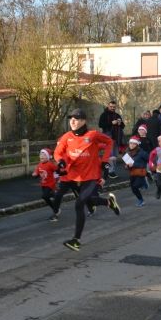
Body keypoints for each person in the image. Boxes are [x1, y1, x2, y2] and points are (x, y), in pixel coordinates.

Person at [53, 108, 120, 251]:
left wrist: (105, 160)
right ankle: (109, 202)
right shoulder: (67, 137)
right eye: (71, 119)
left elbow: (110, 142)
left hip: (90, 177)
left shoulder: (93, 135)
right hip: (73, 177)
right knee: (90, 201)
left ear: (83, 121)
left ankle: (76, 241)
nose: (72, 121)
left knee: (79, 204)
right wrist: (60, 161)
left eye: (76, 119)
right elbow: (57, 152)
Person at [98, 100, 125, 178]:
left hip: (117, 137)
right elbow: (100, 125)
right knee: (110, 154)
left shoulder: (117, 115)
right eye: (111, 107)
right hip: (108, 137)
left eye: (114, 107)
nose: (112, 108)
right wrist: (111, 123)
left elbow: (123, 126)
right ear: (108, 106)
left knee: (115, 155)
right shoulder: (104, 115)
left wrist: (120, 123)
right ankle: (110, 171)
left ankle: (111, 170)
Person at [33, 148, 61, 222]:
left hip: (50, 184)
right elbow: (36, 173)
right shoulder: (39, 165)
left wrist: (60, 172)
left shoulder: (50, 164)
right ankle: (55, 207)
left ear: (48, 157)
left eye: (44, 155)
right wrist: (34, 174)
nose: (42, 156)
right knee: (46, 197)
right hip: (43, 184)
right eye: (41, 155)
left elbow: (57, 170)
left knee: (44, 196)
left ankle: (55, 209)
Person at [123, 134, 150, 206]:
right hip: (132, 173)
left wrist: (134, 164)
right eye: (130, 143)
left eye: (133, 143)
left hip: (141, 172)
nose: (131, 145)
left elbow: (148, 160)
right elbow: (126, 164)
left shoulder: (141, 152)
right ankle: (141, 200)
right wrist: (126, 166)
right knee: (133, 188)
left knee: (136, 186)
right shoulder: (127, 153)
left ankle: (144, 182)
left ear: (137, 144)